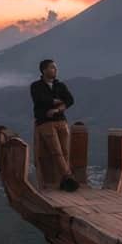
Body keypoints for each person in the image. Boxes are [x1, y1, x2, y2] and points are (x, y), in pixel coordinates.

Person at [30, 59, 79, 191]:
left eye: (55, 67)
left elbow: (70, 100)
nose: (55, 70)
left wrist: (57, 109)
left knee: (65, 152)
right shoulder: (36, 86)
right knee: (56, 151)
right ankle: (69, 177)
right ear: (44, 70)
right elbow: (40, 99)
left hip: (61, 120)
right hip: (45, 123)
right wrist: (56, 101)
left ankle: (64, 181)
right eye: (52, 67)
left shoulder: (60, 85)